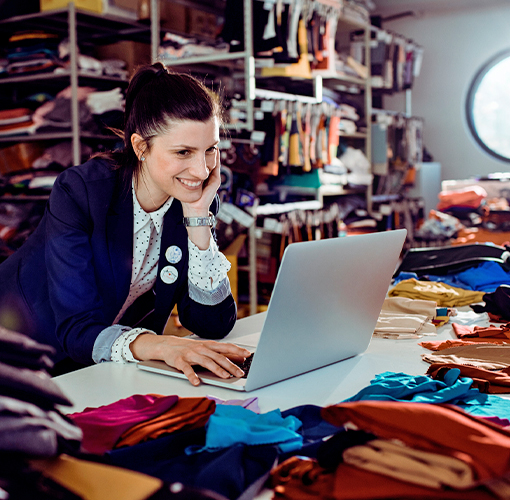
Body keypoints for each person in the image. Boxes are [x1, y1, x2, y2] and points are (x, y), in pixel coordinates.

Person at [0, 62, 250, 385]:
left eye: (210, 150)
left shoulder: (191, 201)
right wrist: (160, 344)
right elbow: (77, 328)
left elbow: (213, 322)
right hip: (22, 355)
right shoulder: (80, 192)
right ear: (140, 147)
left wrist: (199, 222)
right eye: (184, 152)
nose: (202, 172)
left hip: (95, 367)